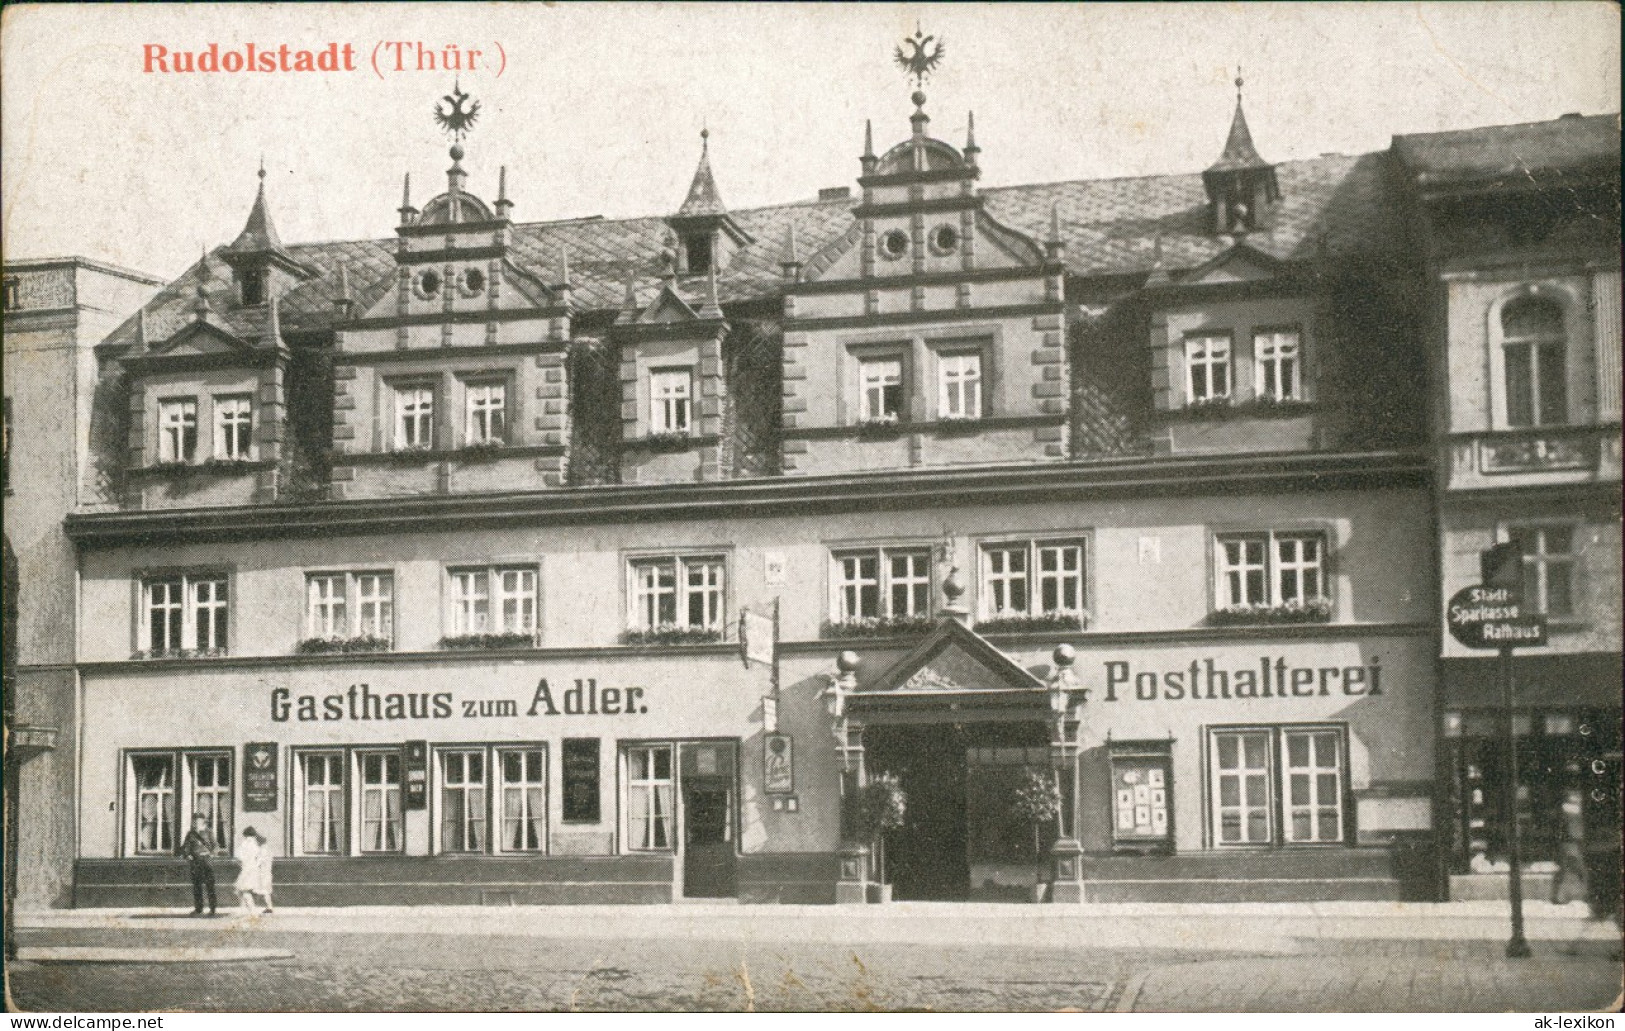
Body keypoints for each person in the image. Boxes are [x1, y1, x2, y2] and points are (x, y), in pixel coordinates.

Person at [179, 813, 218, 916]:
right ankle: (198, 909)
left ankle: (212, 909)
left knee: (210, 886)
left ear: (203, 821)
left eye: (198, 821)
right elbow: (185, 847)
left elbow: (215, 846)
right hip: (195, 863)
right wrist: (187, 855)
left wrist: (212, 854)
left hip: (206, 862)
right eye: (194, 821)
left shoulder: (208, 832)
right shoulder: (190, 833)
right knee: (197, 887)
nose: (196, 823)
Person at [235, 827, 274, 915]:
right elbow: (261, 859)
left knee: (245, 891)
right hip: (256, 871)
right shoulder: (258, 846)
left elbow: (238, 856)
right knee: (254, 891)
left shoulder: (245, 844)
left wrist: (243, 864)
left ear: (245, 835)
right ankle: (254, 910)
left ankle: (252, 912)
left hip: (247, 870)